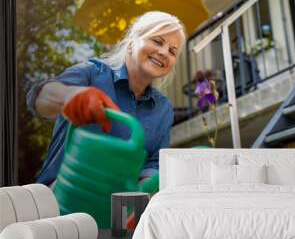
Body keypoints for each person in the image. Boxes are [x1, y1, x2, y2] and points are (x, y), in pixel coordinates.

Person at [26, 11, 186, 187]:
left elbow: (154, 162)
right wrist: (70, 96)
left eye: (172, 51)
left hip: (119, 206)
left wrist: (143, 189)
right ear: (132, 43)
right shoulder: (91, 74)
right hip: (60, 195)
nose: (164, 52)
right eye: (157, 41)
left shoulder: (162, 108)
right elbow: (40, 98)